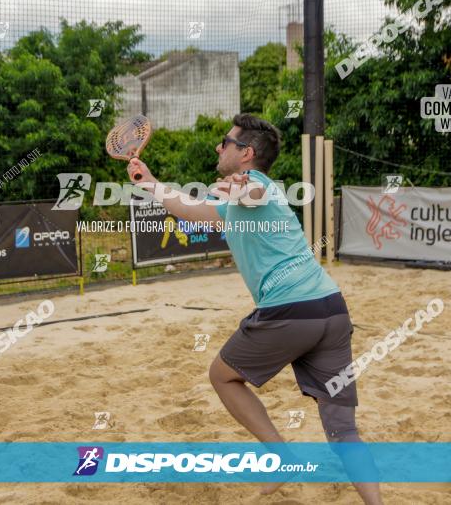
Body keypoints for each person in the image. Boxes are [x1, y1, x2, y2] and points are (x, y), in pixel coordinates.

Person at [127, 114, 382, 503]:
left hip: (290, 311)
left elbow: (253, 194)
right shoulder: (240, 197)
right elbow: (194, 209)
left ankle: (281, 458)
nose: (218, 147)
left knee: (222, 376)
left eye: (225, 142)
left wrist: (241, 191)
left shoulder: (255, 185)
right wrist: (150, 183)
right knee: (343, 430)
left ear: (246, 153)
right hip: (331, 309)